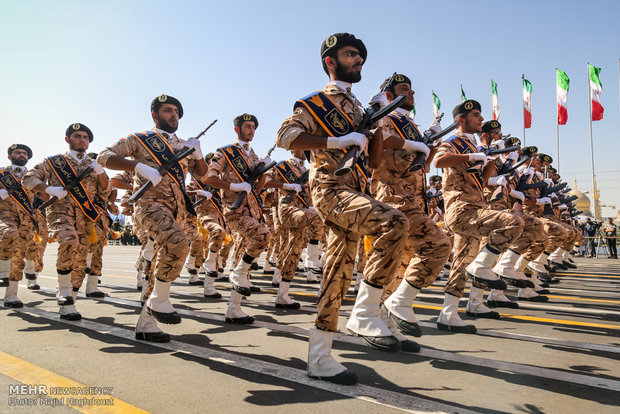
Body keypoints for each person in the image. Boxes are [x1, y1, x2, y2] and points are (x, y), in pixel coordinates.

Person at [277, 33, 408, 385]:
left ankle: (320, 357)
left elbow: (376, 162)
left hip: (356, 189)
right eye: (351, 55)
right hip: (331, 189)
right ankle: (365, 312)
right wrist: (336, 140)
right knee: (395, 222)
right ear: (330, 61)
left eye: (361, 56)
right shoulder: (316, 102)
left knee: (337, 274)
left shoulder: (360, 109)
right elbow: (286, 137)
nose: (359, 60)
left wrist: (377, 121)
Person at [97, 94, 208, 342]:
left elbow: (202, 174)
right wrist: (137, 167)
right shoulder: (140, 139)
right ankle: (160, 300)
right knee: (178, 242)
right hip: (149, 206)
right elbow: (103, 156)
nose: (174, 115)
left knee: (161, 264)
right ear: (155, 115)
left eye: (177, 112)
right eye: (168, 110)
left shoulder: (183, 145)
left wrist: (198, 154)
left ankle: (146, 324)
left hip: (177, 210)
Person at [369, 73, 451, 351]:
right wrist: (412, 144)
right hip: (393, 195)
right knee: (438, 244)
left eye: (412, 89)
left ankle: (385, 323)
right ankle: (396, 304)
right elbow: (378, 137)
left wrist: (427, 147)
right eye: (404, 89)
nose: (412, 93)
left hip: (413, 198)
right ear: (390, 95)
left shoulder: (410, 124)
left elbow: (422, 166)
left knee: (398, 266)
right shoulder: (386, 115)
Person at [433, 100, 524, 334]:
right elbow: (439, 161)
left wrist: (489, 162)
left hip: (474, 206)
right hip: (462, 209)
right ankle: (482, 268)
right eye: (475, 115)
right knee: (514, 221)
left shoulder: (472, 144)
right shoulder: (454, 141)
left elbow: (480, 182)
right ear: (460, 120)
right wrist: (471, 157)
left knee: (462, 264)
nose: (480, 119)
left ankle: (449, 313)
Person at [24, 124, 109, 320]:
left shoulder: (93, 165)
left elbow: (105, 191)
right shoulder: (54, 162)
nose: (82, 140)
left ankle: (69, 305)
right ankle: (63, 291)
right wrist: (48, 189)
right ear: (68, 139)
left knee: (79, 263)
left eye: (85, 137)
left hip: (86, 217)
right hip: (60, 212)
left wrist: (100, 172)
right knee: (69, 240)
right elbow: (28, 178)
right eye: (77, 136)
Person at [204, 113, 275, 324]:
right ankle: (237, 274)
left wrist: (263, 170)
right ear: (237, 129)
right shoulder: (225, 152)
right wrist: (232, 186)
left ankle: (234, 308)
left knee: (244, 259)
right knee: (263, 236)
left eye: (253, 127)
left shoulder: (254, 157)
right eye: (247, 126)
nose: (251, 130)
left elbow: (258, 189)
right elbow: (209, 177)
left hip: (252, 211)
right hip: (234, 211)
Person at [0, 144, 36, 308]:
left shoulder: (33, 175)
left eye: (24, 153)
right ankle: (2, 272)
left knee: (18, 257)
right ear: (9, 156)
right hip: (4, 216)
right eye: (17, 152)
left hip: (26, 220)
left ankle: (11, 296)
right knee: (9, 234)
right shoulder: (1, 173)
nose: (21, 155)